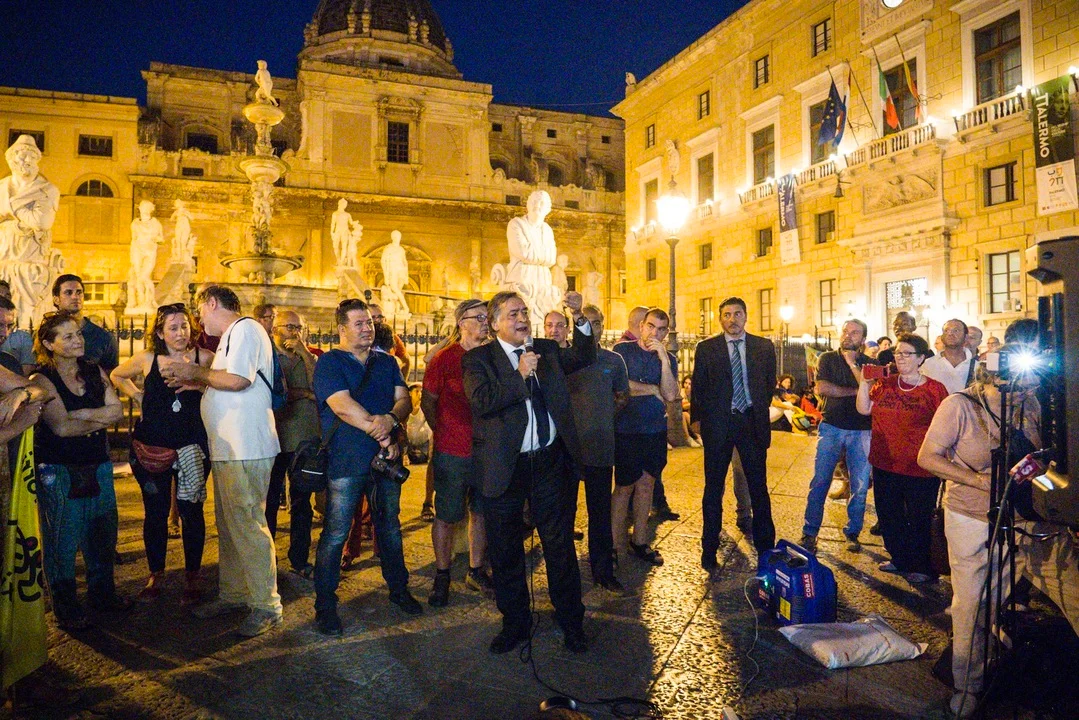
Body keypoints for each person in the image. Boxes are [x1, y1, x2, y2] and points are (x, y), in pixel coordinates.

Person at [917, 341, 1079, 718]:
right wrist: (981, 482)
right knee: (973, 606)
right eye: (1021, 385)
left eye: (1032, 384)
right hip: (973, 517)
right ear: (994, 376)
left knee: (1072, 586)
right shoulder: (959, 406)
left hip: (1031, 519)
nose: (1028, 391)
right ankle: (968, 686)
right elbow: (927, 457)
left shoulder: (1032, 403)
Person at [462, 290, 594, 655]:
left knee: (559, 545)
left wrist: (579, 317)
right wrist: (519, 375)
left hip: (549, 464)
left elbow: (584, 355)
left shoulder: (546, 351)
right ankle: (515, 624)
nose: (523, 319)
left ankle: (572, 623)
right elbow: (483, 402)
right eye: (513, 314)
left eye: (524, 312)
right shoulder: (477, 360)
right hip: (504, 468)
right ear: (494, 323)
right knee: (505, 551)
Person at [160, 285, 283, 637]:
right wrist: (202, 386)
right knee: (230, 527)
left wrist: (194, 374)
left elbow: (239, 380)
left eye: (201, 312)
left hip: (246, 446)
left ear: (212, 303)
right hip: (231, 449)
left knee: (247, 524)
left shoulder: (245, 328)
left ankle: (266, 604)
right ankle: (234, 593)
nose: (199, 321)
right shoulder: (233, 334)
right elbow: (230, 384)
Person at [312, 299, 418, 635]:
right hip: (347, 459)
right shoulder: (329, 362)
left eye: (369, 323)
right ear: (342, 329)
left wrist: (391, 419)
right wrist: (383, 432)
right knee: (336, 532)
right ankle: (325, 605)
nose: (367, 328)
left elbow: (404, 399)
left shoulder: (386, 362)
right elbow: (342, 406)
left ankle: (398, 589)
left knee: (390, 527)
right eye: (358, 323)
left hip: (384, 462)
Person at [110, 303, 214, 605]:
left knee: (192, 511)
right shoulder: (147, 359)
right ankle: (155, 573)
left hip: (193, 445)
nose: (180, 333)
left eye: (184, 326)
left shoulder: (205, 358)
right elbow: (117, 375)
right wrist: (138, 395)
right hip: (152, 447)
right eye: (173, 328)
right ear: (159, 332)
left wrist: (197, 386)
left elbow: (222, 388)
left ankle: (192, 575)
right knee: (155, 512)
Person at [31, 312, 127, 630]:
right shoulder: (42, 380)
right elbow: (60, 427)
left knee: (102, 535)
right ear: (49, 344)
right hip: (59, 469)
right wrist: (100, 416)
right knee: (62, 539)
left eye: (79, 334)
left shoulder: (92, 370)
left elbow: (117, 410)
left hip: (98, 463)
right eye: (68, 336)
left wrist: (82, 413)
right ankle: (66, 608)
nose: (78, 341)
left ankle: (102, 596)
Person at [691, 297, 777, 571]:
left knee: (759, 487)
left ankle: (766, 548)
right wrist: (697, 421)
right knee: (713, 488)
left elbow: (768, 384)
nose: (732, 319)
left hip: (751, 423)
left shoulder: (763, 347)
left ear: (745, 316)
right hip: (719, 424)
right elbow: (698, 387)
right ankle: (709, 548)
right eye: (726, 314)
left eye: (737, 314)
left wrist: (756, 408)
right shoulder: (707, 348)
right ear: (720, 319)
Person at [853, 333, 948, 583]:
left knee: (918, 517)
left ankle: (922, 566)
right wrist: (864, 383)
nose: (901, 358)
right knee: (889, 515)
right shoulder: (885, 384)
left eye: (907, 353)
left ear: (921, 358)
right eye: (898, 353)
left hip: (920, 466)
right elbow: (863, 409)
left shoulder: (934, 389)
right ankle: (900, 558)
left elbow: (946, 426)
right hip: (885, 462)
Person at [421, 299, 494, 607]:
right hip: (453, 449)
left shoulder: (493, 356)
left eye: (487, 317)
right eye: (479, 317)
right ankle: (442, 574)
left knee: (481, 511)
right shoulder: (445, 358)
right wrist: (443, 430)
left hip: (486, 450)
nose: (485, 322)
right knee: (447, 514)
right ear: (462, 322)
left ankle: (476, 569)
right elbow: (428, 400)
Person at [799, 319, 876, 554]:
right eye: (845, 331)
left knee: (859, 485)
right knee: (820, 481)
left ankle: (852, 532)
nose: (848, 335)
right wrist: (857, 391)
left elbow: (872, 393)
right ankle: (810, 532)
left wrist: (853, 366)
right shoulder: (827, 359)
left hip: (862, 430)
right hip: (831, 426)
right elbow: (822, 388)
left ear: (863, 339)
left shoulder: (871, 364)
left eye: (854, 333)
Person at [567, 304, 629, 593]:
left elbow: (623, 396)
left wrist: (603, 418)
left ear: (603, 326)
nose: (591, 329)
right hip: (568, 448)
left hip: (600, 446)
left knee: (600, 513)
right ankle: (566, 574)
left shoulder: (614, 360)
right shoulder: (566, 359)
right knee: (564, 513)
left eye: (595, 323)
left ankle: (603, 571)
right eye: (585, 323)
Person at [612, 308, 679, 568]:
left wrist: (663, 360)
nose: (655, 333)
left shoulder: (668, 359)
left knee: (647, 484)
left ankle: (639, 541)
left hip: (654, 431)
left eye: (661, 329)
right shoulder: (623, 351)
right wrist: (652, 388)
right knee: (624, 487)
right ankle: (614, 544)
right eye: (651, 326)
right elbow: (621, 386)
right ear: (641, 326)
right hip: (627, 430)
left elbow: (671, 394)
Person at [269, 310, 321, 576]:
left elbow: (320, 388)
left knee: (302, 504)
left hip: (305, 439)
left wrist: (304, 352)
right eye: (289, 326)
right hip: (276, 439)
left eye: (298, 327)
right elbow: (277, 393)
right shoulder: (268, 357)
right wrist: (304, 394)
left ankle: (299, 559)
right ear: (275, 329)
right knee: (269, 502)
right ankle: (267, 560)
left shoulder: (309, 356)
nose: (294, 332)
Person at [51, 274, 119, 372]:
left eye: (79, 292)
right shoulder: (46, 334)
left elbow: (111, 375)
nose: (75, 297)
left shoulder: (103, 337)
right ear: (56, 299)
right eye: (68, 293)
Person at [922, 318, 976, 394]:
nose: (950, 334)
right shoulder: (928, 365)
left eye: (956, 330)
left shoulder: (977, 366)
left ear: (966, 337)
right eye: (946, 331)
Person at [368, 302, 411, 380]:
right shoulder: (359, 338)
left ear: (385, 319)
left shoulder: (393, 337)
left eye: (380, 317)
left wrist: (402, 382)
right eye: (373, 317)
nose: (377, 320)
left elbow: (406, 360)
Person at [0, 281, 34, 376]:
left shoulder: (10, 361)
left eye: (9, 326)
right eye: (0, 325)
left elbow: (26, 374)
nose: (5, 333)